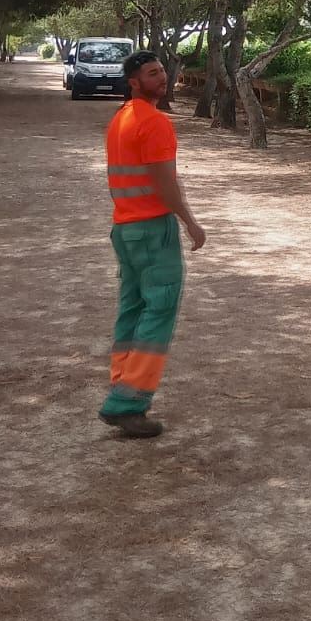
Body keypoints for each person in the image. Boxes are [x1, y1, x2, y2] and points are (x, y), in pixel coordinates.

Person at [99, 50, 206, 439]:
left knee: (132, 309)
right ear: (134, 83)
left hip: (125, 229)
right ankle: (128, 404)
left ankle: (121, 386)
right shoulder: (154, 122)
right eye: (151, 73)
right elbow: (164, 182)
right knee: (159, 310)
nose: (161, 77)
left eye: (162, 70)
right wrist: (190, 222)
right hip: (151, 230)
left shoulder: (121, 119)